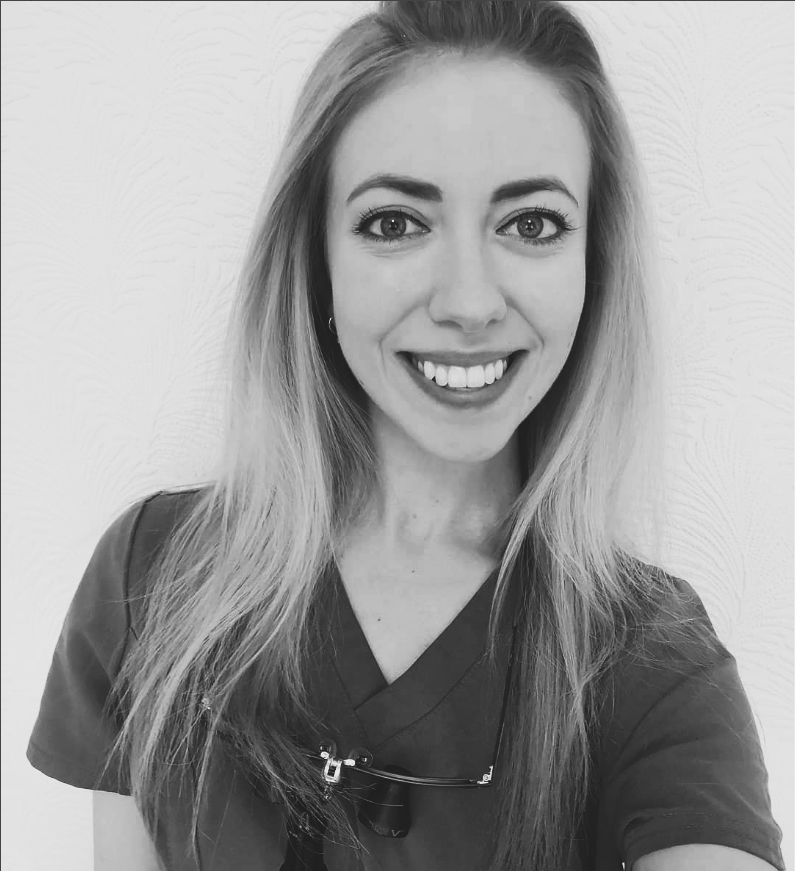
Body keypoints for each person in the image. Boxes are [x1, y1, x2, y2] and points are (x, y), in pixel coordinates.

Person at [26, 2, 785, 870]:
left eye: (530, 224)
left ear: (593, 266)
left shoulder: (651, 661)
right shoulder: (151, 576)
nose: (468, 300)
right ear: (316, 262)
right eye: (395, 223)